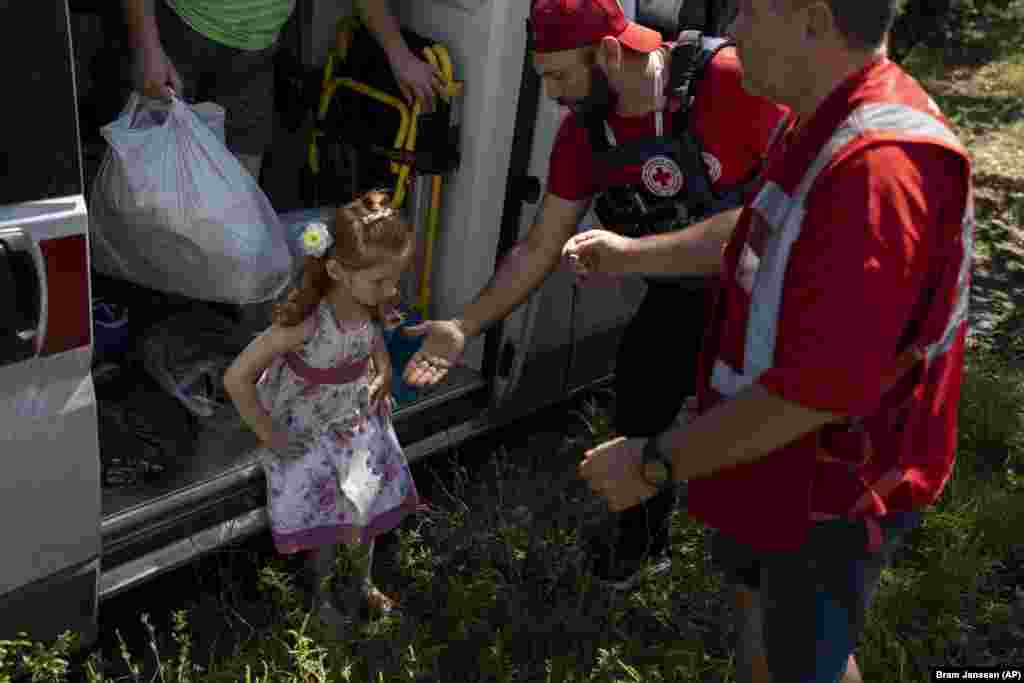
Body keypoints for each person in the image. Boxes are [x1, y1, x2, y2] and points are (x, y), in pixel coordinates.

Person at [571, 0, 974, 680]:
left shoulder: (875, 171)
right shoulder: (824, 117)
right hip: (777, 464)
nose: (734, 33)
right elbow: (754, 224)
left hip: (832, 489)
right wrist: (633, 253)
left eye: (748, 10)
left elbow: (812, 394)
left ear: (811, 18)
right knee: (763, 628)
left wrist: (652, 462)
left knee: (803, 660)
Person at [400, 0, 788, 589]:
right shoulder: (585, 136)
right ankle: (642, 543)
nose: (552, 93)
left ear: (609, 52)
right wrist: (463, 326)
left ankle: (773, 567)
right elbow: (539, 247)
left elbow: (788, 207)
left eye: (559, 75)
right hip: (689, 286)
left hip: (782, 290)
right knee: (641, 384)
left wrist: (632, 255)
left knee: (764, 430)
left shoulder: (732, 83)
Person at [224, 190, 421, 627]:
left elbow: (374, 345)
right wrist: (271, 434)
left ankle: (363, 582)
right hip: (310, 432)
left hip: (355, 423)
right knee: (328, 520)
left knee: (363, 506)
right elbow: (235, 378)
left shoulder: (370, 305)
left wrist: (384, 374)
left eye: (395, 279)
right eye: (380, 281)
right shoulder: (308, 323)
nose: (391, 291)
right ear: (336, 270)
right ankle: (322, 596)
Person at [121, 0, 444, 181]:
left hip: (256, 52)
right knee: (154, 184)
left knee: (241, 194)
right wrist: (147, 46)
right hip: (180, 36)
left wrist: (398, 53)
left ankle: (223, 295)